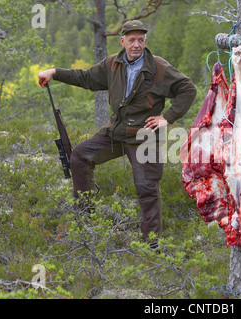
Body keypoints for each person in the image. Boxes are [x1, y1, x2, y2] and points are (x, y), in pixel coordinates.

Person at [38, 20, 197, 246]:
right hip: (117, 132)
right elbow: (86, 78)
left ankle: (151, 244)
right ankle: (86, 224)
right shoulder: (113, 64)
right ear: (122, 41)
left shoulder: (158, 67)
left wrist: (168, 117)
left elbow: (187, 89)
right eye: (131, 40)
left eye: (141, 40)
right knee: (81, 156)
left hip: (145, 137)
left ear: (145, 41)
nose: (136, 44)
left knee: (146, 188)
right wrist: (55, 72)